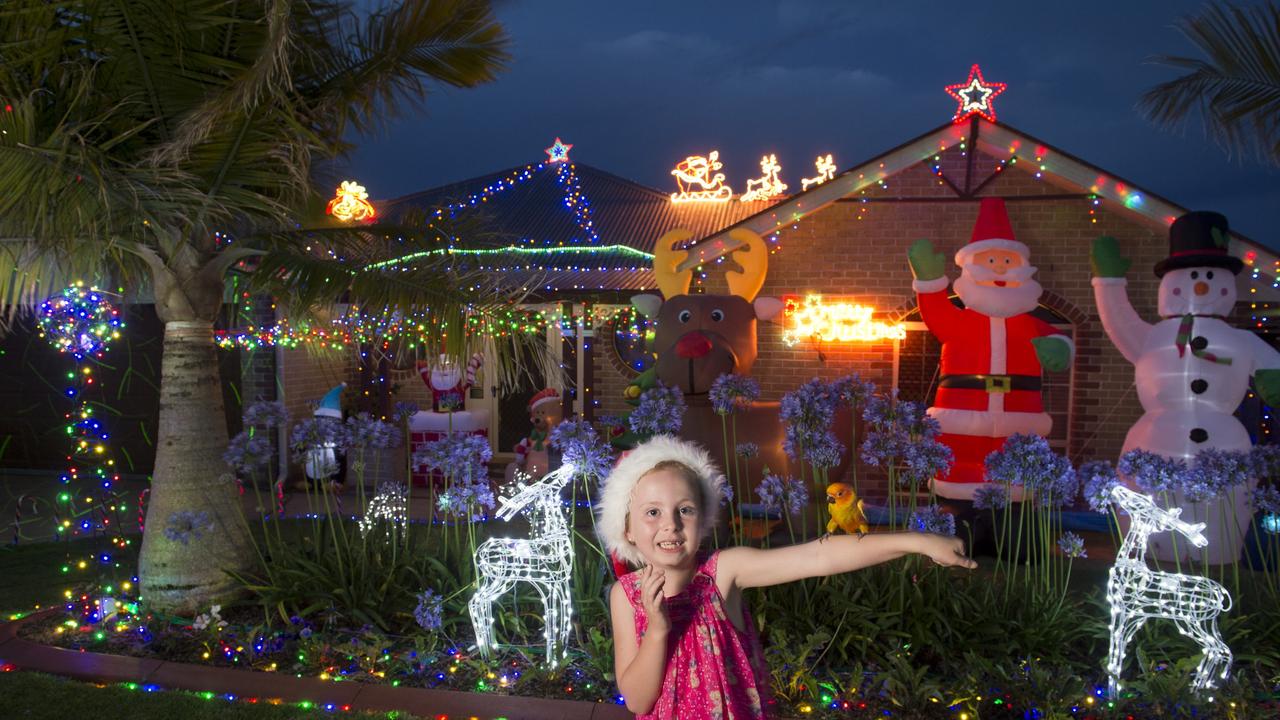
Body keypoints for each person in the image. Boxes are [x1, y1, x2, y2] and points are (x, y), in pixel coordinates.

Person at [598, 436, 975, 718]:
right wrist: (658, 629)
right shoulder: (626, 596)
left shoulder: (722, 573)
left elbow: (818, 556)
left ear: (704, 520)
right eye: (652, 513)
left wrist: (919, 540)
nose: (671, 524)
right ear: (627, 529)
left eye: (685, 509)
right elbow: (637, 699)